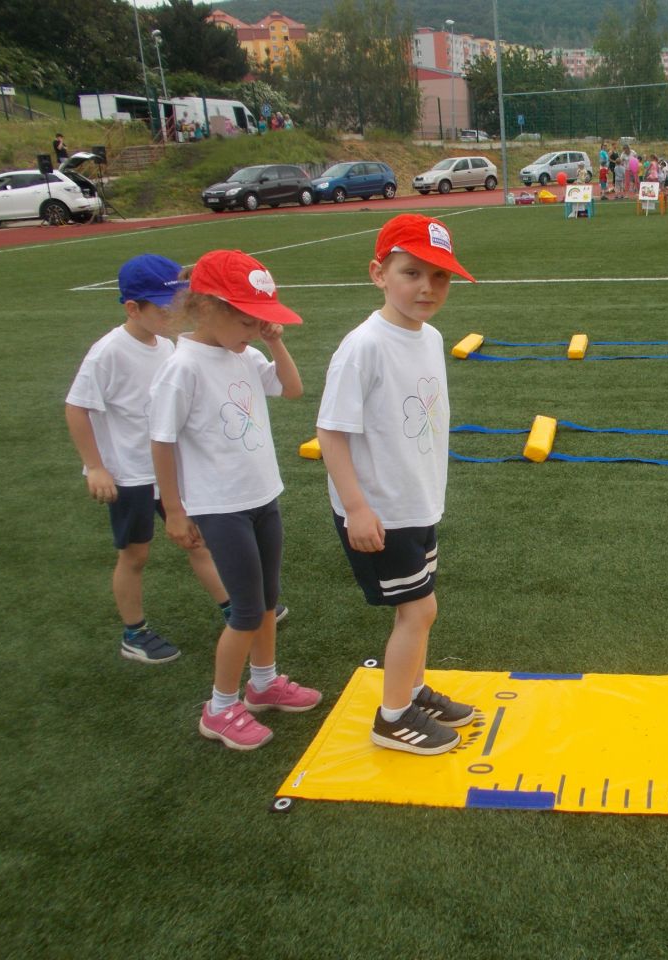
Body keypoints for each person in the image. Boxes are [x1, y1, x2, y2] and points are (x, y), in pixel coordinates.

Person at [317, 214, 477, 756]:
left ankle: (412, 691)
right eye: (411, 273)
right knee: (419, 610)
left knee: (420, 607)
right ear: (378, 274)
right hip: (381, 508)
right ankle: (392, 718)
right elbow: (331, 432)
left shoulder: (429, 337)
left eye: (440, 276)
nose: (427, 287)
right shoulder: (363, 346)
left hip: (417, 500)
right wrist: (357, 509)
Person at [149, 250, 319, 751]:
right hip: (219, 506)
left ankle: (263, 683)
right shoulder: (182, 368)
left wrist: (273, 342)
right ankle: (220, 708)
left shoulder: (244, 354)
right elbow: (161, 441)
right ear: (205, 308)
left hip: (262, 496)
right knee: (244, 611)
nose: (253, 329)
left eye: (259, 320)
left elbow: (292, 389)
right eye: (246, 320)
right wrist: (174, 510)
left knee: (266, 601)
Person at [65, 255, 230, 664]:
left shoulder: (168, 346)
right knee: (135, 555)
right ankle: (134, 633)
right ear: (132, 308)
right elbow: (76, 407)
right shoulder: (108, 352)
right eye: (163, 308)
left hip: (166, 472)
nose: (173, 315)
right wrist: (96, 466)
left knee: (197, 540)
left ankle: (234, 608)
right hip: (129, 475)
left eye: (177, 305)